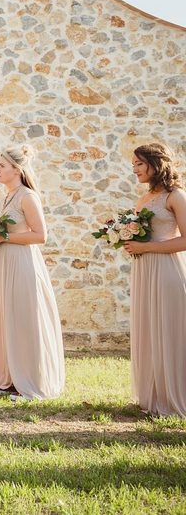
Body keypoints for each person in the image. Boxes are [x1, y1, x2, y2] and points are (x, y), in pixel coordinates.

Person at [0, 145, 65, 401]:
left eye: (2, 166)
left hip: (23, 263)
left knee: (24, 318)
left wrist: (2, 237)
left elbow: (40, 235)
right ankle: (11, 378)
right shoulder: (6, 197)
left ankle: (30, 380)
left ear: (17, 170)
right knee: (8, 318)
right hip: (6, 263)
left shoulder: (27, 196)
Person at [123, 143, 186, 417]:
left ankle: (174, 398)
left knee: (169, 330)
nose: (134, 169)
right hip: (144, 270)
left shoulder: (176, 196)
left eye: (139, 164)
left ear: (155, 163)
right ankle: (154, 395)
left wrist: (145, 247)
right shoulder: (145, 198)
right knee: (149, 328)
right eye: (134, 164)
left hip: (166, 269)